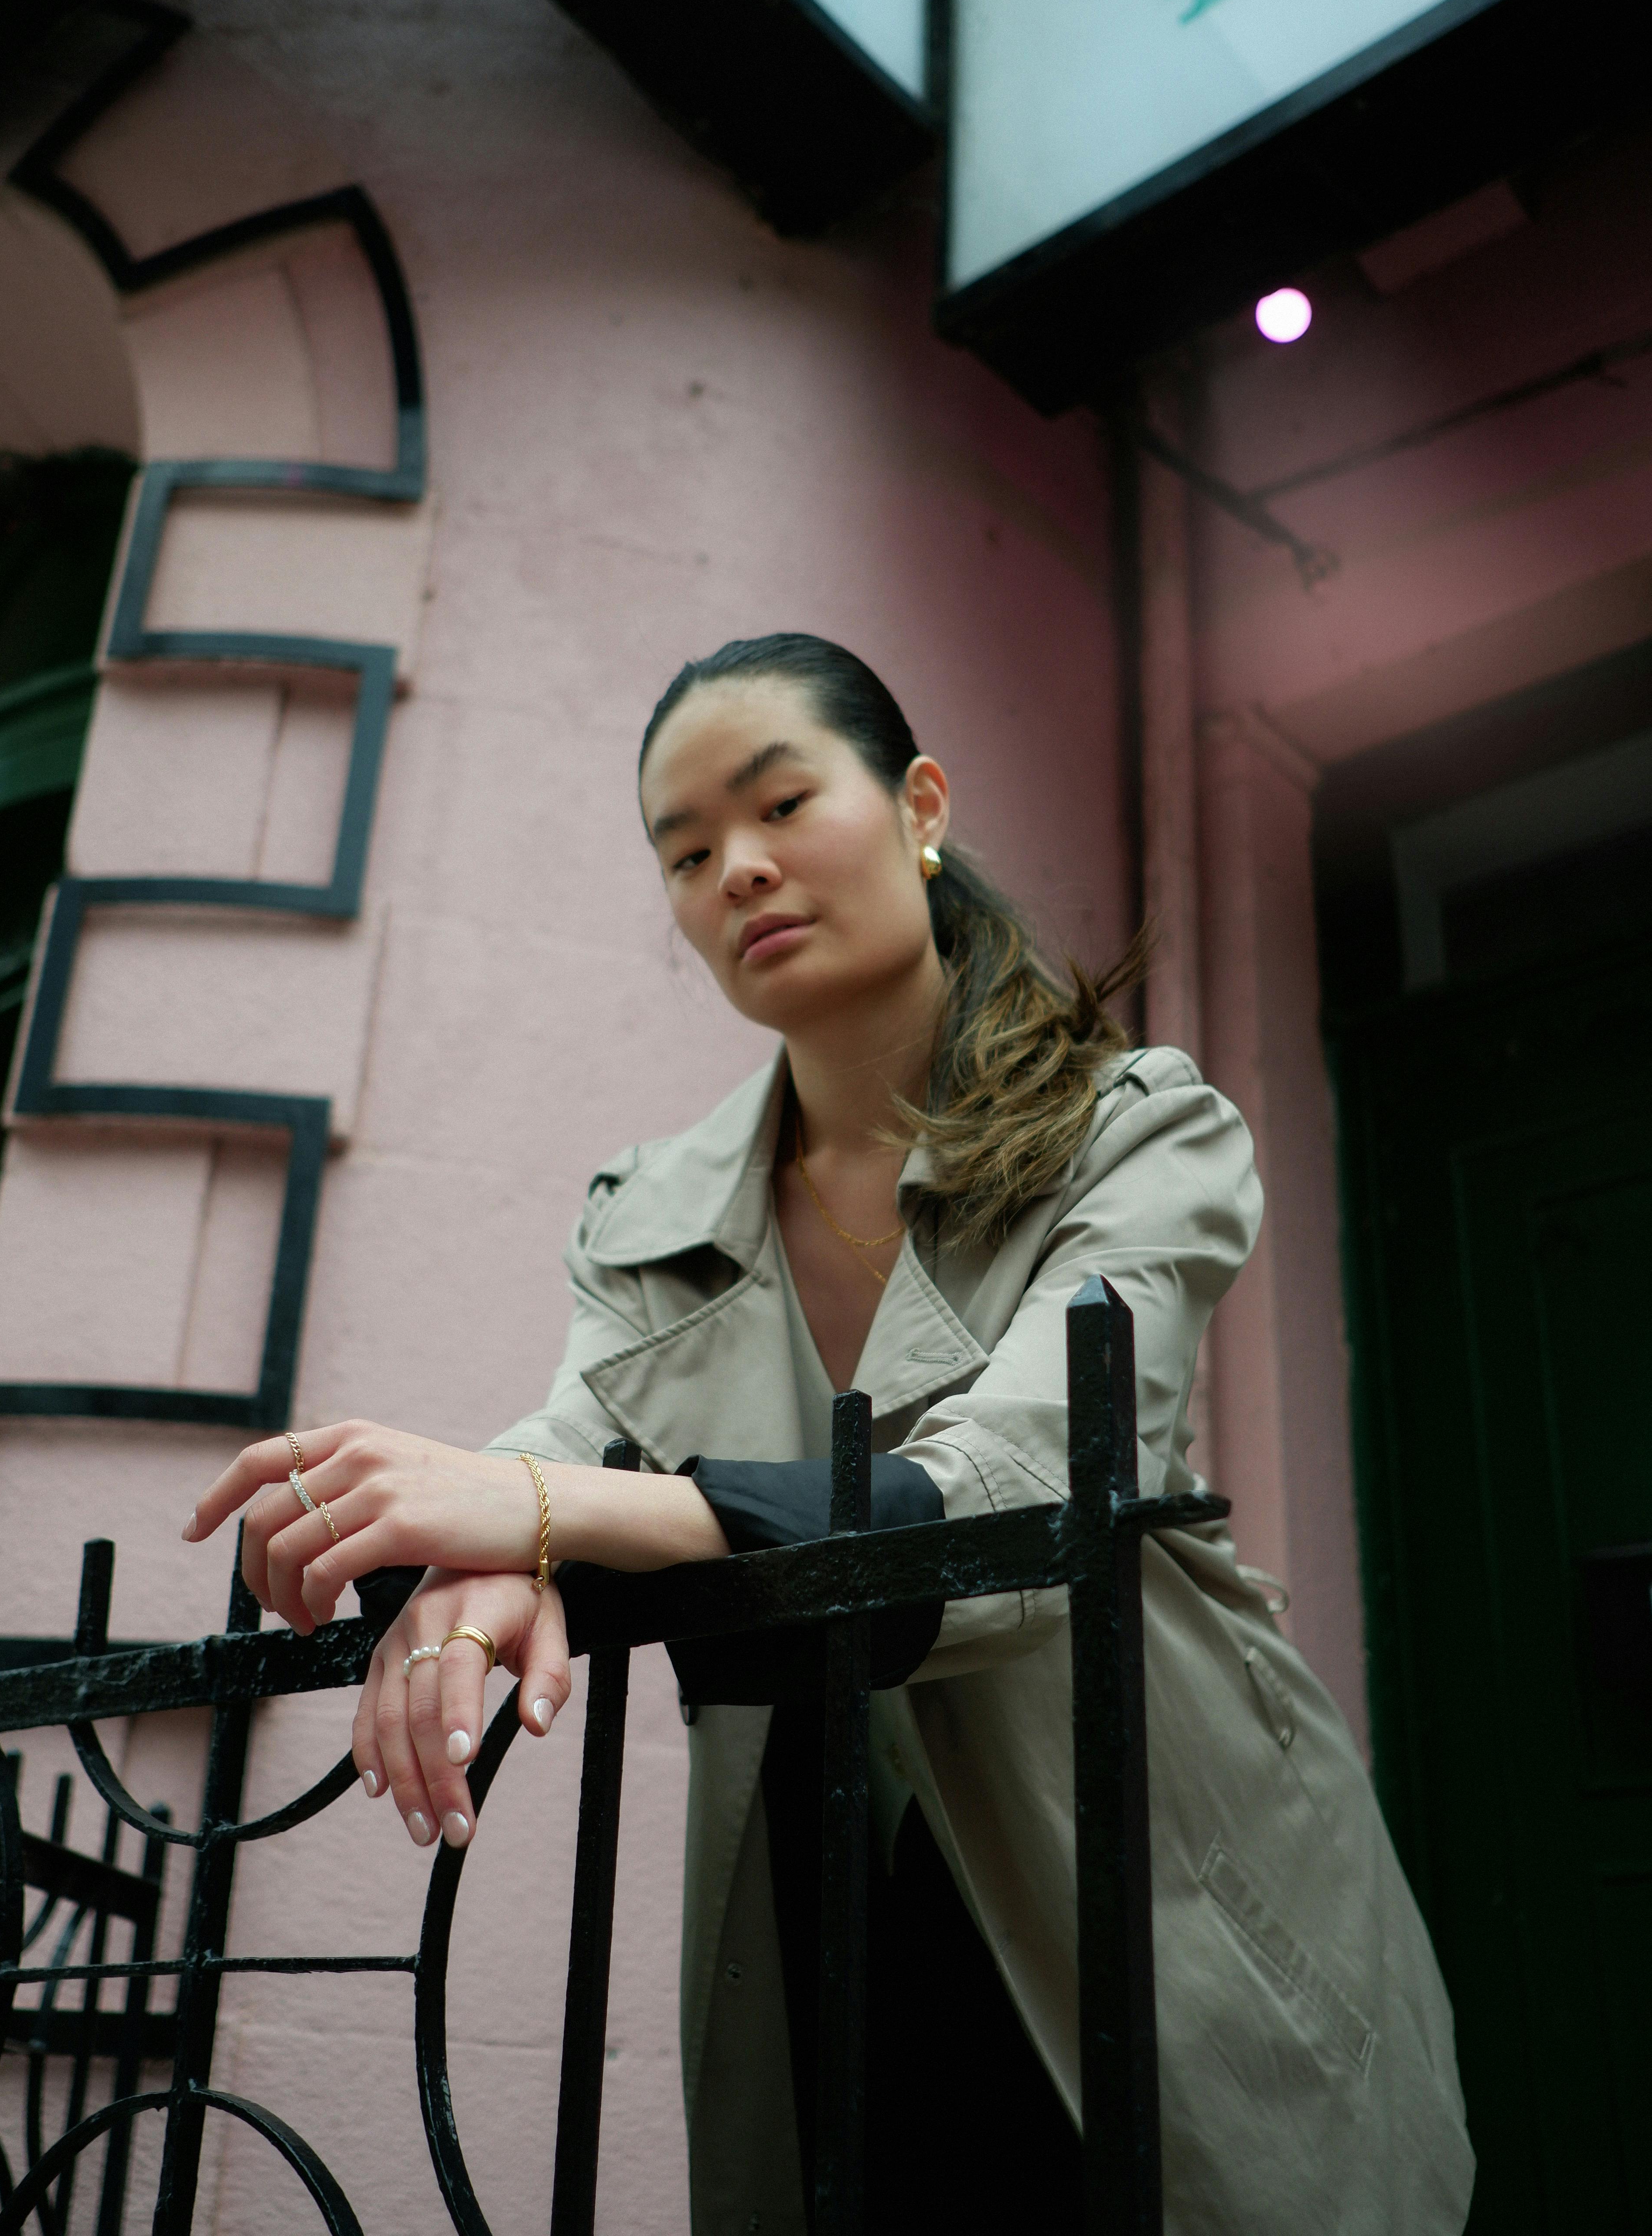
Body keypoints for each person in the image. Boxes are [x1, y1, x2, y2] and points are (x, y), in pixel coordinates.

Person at [186, 634, 1474, 2234]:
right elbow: (580, 1439)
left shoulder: (1139, 1130)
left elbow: (1018, 1499)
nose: (739, 869)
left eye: (783, 802)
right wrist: (481, 1558)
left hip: (1153, 1874)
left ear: (919, 804)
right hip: (822, 1893)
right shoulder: (650, 1211)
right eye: (684, 851)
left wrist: (535, 1510)